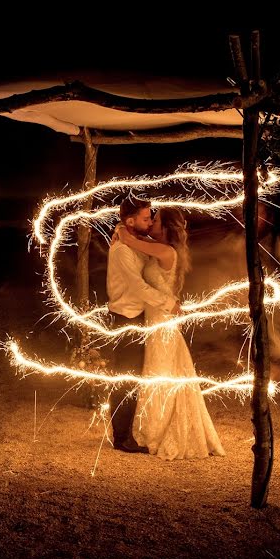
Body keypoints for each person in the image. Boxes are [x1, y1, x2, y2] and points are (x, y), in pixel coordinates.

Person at [116, 207, 225, 460]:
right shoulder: (159, 246)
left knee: (160, 373)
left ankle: (155, 431)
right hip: (156, 321)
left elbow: (131, 240)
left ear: (165, 227)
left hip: (161, 323)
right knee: (160, 372)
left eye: (156, 220)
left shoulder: (166, 251)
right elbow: (137, 241)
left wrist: (121, 228)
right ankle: (150, 425)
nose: (151, 222)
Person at [106, 196, 181, 453]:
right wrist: (167, 302)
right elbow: (138, 288)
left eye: (152, 219)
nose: (150, 223)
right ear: (130, 221)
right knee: (125, 378)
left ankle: (133, 429)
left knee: (139, 375)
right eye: (146, 218)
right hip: (126, 318)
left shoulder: (136, 241)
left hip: (142, 316)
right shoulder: (121, 250)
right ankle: (121, 437)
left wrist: (123, 233)